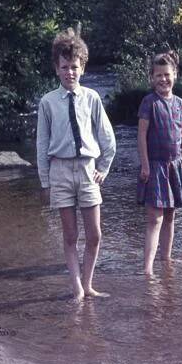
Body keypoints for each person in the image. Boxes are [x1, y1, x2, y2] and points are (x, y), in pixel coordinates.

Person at [36, 28, 116, 300]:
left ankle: (89, 282)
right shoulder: (47, 102)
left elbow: (108, 137)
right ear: (56, 69)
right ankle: (77, 289)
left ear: (82, 67)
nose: (70, 72)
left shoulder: (92, 98)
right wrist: (45, 181)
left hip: (87, 170)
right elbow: (41, 144)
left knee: (95, 235)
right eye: (64, 67)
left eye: (74, 67)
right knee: (70, 235)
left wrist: (103, 168)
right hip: (60, 171)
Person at [136, 51, 182, 276]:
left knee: (170, 215)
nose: (163, 79)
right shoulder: (148, 103)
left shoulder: (180, 104)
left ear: (175, 75)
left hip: (175, 166)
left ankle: (166, 258)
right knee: (155, 218)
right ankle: (148, 268)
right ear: (152, 78)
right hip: (155, 165)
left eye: (167, 75)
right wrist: (145, 165)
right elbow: (141, 135)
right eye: (158, 75)